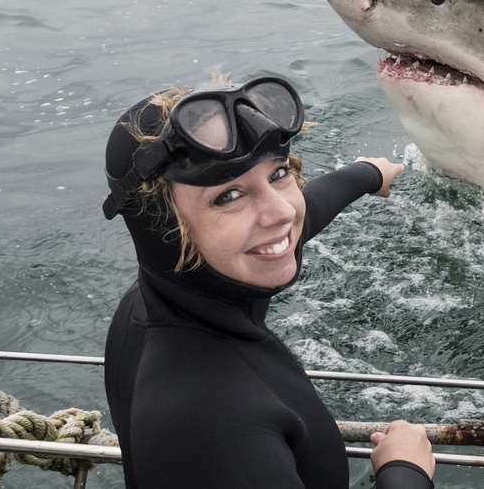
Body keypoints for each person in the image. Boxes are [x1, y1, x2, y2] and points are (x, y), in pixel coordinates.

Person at [101, 75, 436, 488]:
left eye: (278, 174)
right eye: (229, 196)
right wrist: (404, 471)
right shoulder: (211, 425)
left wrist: (366, 175)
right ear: (164, 229)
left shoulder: (149, 304)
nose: (281, 212)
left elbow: (302, 215)